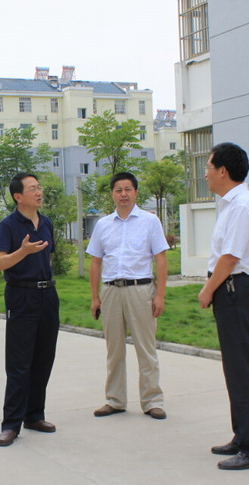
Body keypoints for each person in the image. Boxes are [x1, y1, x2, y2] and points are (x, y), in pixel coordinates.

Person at [197, 142, 249, 470]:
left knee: (242, 370)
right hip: (231, 290)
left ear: (223, 171)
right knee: (234, 368)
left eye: (209, 167)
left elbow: (230, 258)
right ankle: (242, 436)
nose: (206, 174)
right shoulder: (232, 204)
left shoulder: (242, 205)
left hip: (235, 291)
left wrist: (207, 289)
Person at [86, 172, 169, 420]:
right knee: (114, 350)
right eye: (118, 190)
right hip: (111, 291)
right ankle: (115, 400)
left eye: (128, 189)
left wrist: (160, 295)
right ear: (112, 194)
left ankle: (152, 401)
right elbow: (95, 262)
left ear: (136, 193)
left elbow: (161, 259)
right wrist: (95, 297)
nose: (123, 194)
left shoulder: (150, 221)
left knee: (146, 348)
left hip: (140, 290)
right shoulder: (103, 225)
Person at [0, 172, 60, 447]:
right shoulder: (7, 226)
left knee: (43, 358)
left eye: (39, 187)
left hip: (48, 295)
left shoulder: (46, 223)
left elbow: (48, 257)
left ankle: (34, 415)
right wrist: (23, 252)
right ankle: (11, 424)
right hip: (21, 296)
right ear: (18, 196)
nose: (39, 192)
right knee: (19, 363)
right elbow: (0, 263)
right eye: (32, 188)